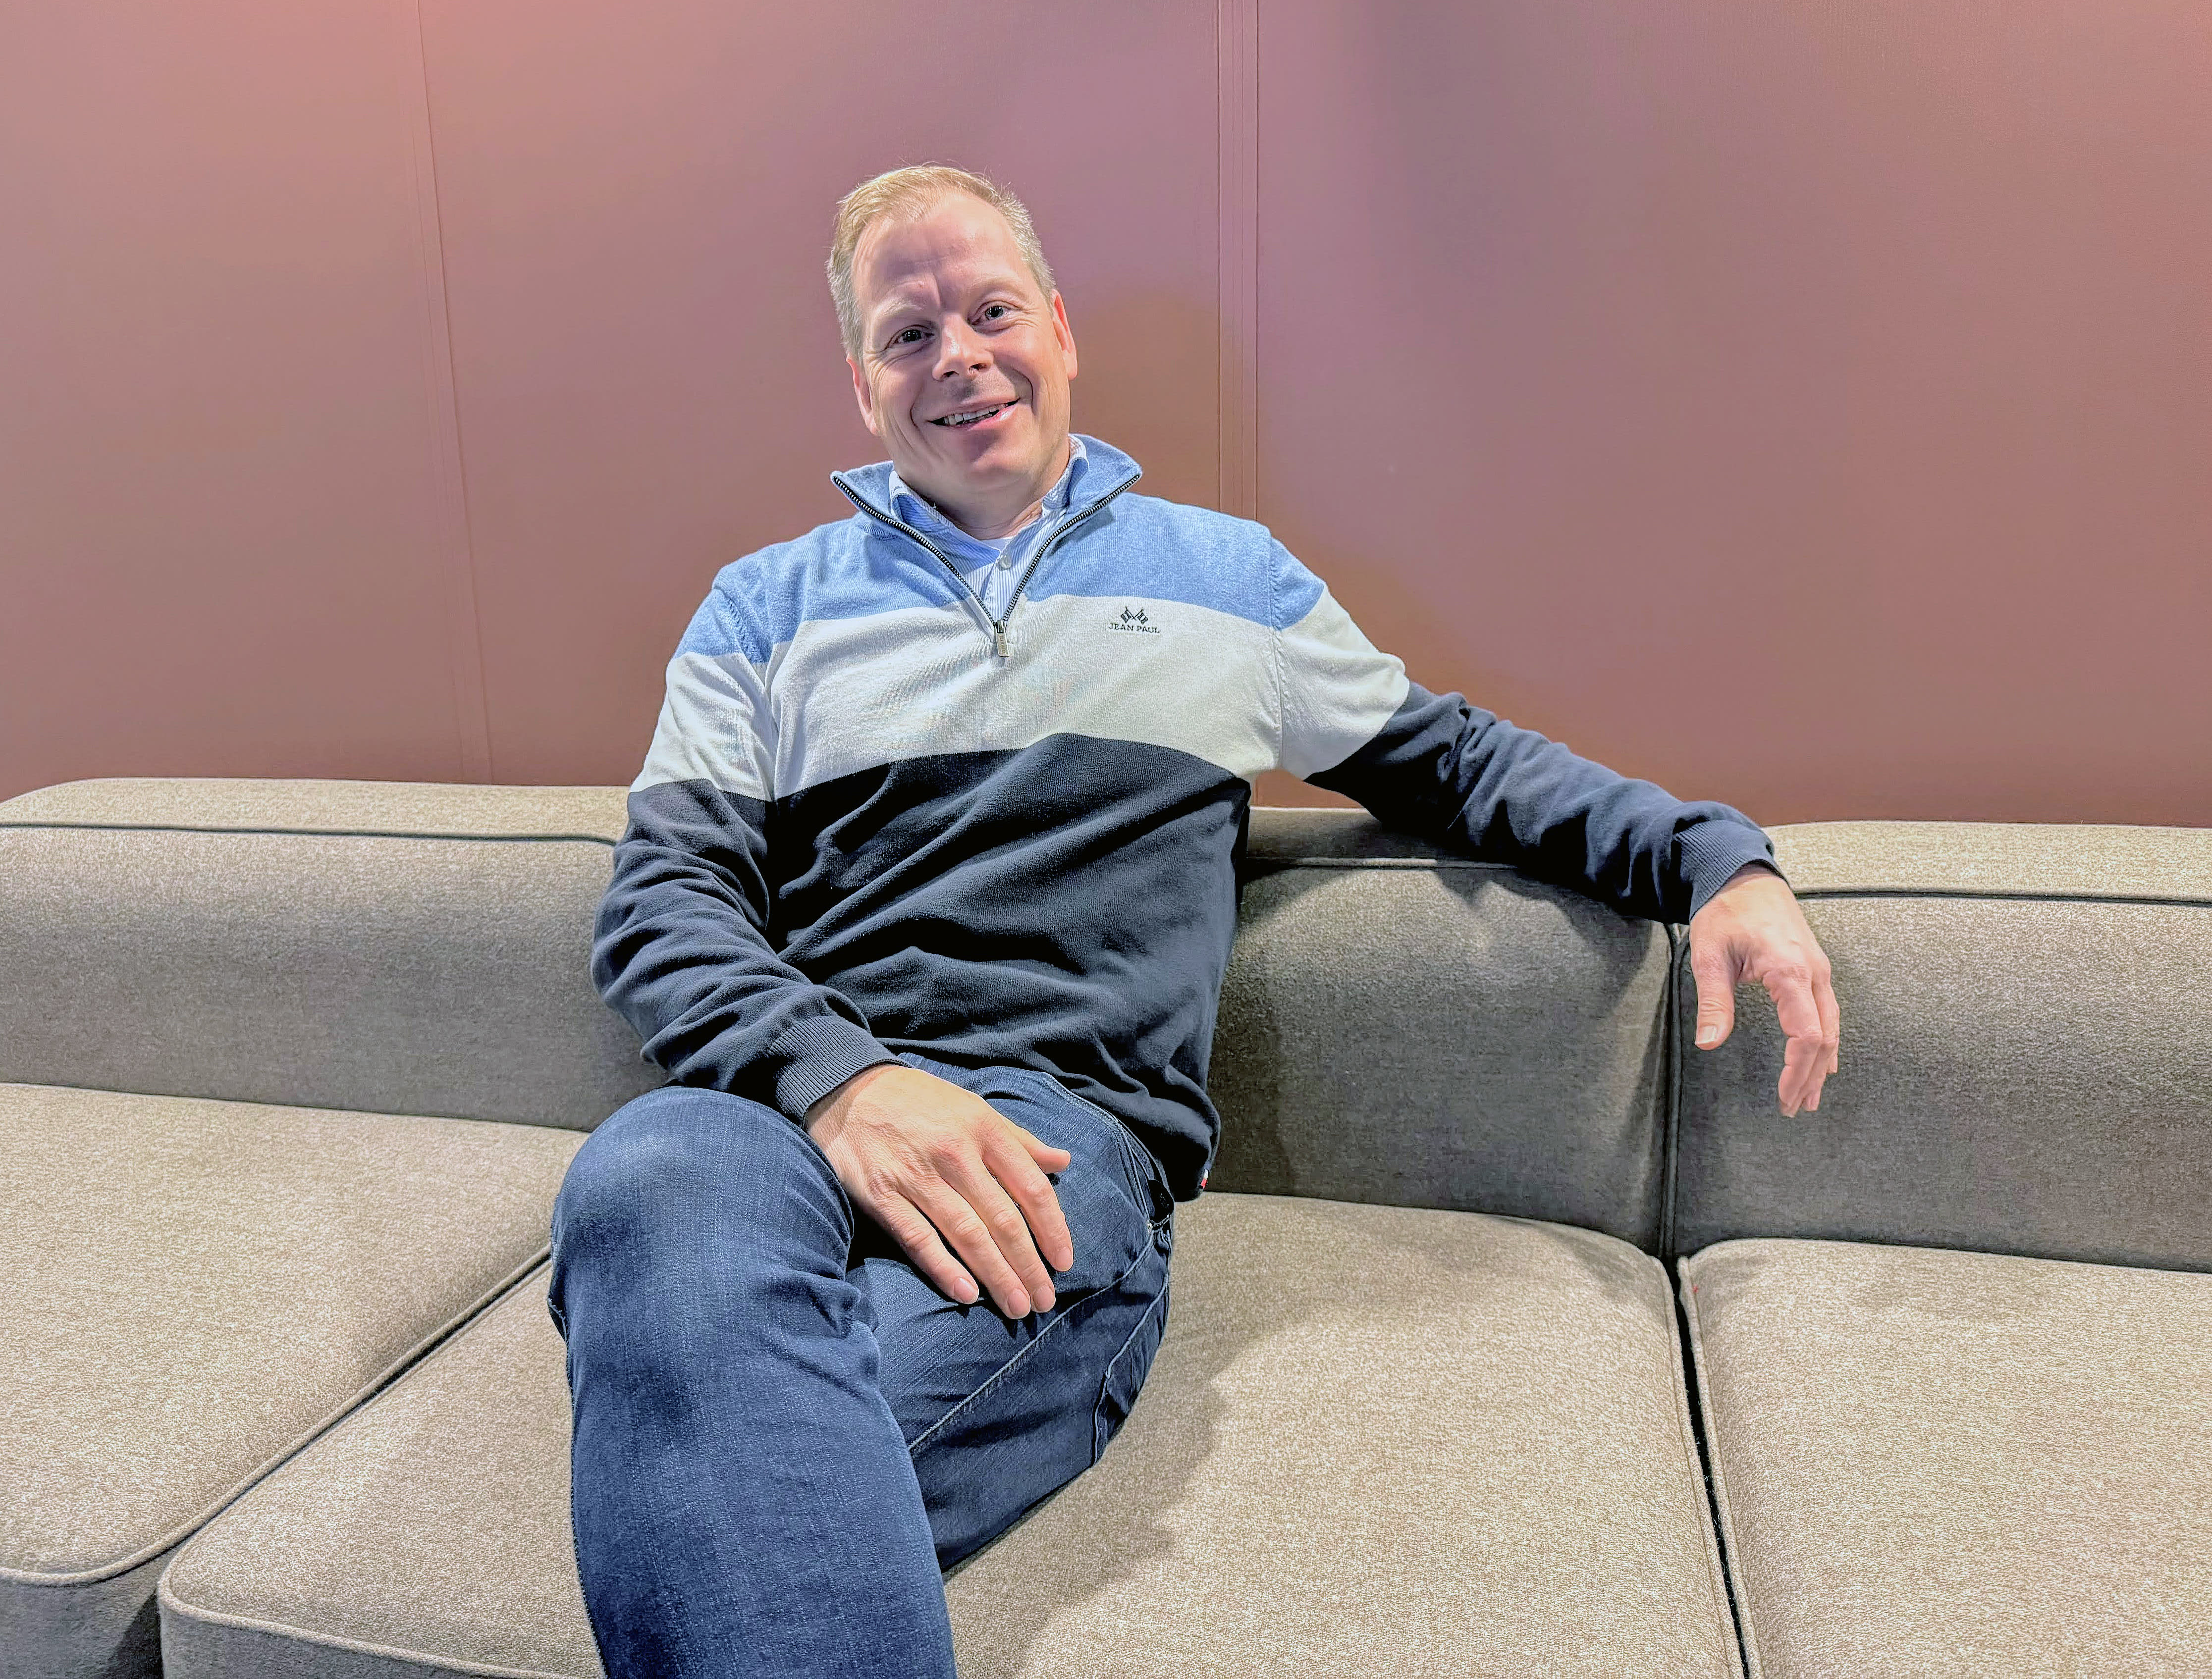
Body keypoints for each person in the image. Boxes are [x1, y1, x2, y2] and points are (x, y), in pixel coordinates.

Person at [547, 163, 1841, 1679]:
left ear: (1059, 330)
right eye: (908, 334)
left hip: (1056, 1130)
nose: (957, 356)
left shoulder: (1228, 583)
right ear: (861, 382)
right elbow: (665, 902)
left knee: (741, 1457)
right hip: (787, 1115)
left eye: (989, 312)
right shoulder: (759, 612)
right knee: (644, 1172)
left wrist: (1710, 862)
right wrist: (844, 1084)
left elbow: (1457, 764)